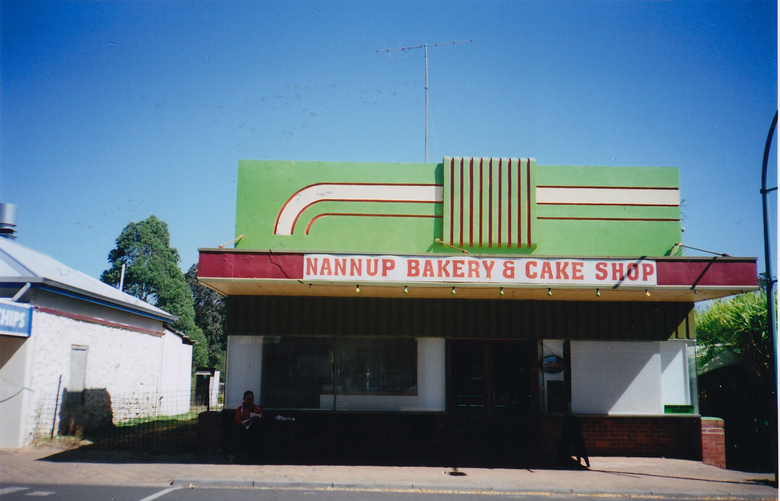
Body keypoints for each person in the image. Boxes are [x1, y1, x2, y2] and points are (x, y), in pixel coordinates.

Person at [233, 390, 263, 462]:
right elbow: (237, 420)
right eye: (248, 399)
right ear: (244, 399)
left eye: (252, 399)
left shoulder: (257, 408)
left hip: (255, 430)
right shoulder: (240, 409)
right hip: (244, 430)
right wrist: (246, 418)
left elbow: (262, 418)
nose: (250, 401)